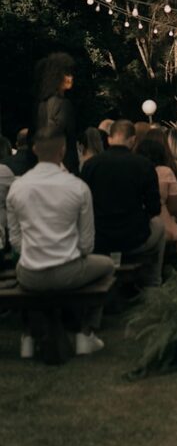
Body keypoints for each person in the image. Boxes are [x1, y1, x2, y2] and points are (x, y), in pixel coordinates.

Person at [6, 130, 114, 357]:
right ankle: (85, 332)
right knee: (107, 265)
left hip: (30, 274)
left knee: (21, 270)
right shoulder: (77, 187)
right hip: (68, 271)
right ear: (63, 150)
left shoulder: (18, 187)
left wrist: (35, 253)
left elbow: (15, 241)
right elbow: (87, 245)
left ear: (34, 149)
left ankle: (28, 336)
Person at [80, 119, 165, 287]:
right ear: (133, 140)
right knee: (160, 226)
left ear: (109, 139)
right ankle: (154, 282)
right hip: (133, 239)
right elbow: (154, 208)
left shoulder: (90, 165)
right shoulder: (144, 165)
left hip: (100, 239)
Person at [34, 52, 79, 173]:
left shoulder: (41, 104)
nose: (71, 78)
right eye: (67, 74)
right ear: (56, 76)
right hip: (63, 167)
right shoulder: (63, 104)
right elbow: (57, 137)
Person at [136, 138, 177, 246]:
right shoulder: (166, 172)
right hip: (163, 223)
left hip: (137, 226)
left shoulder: (133, 171)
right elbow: (175, 207)